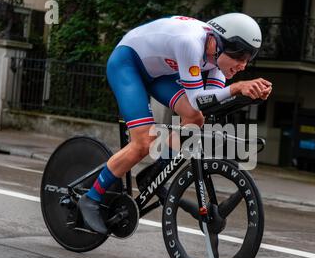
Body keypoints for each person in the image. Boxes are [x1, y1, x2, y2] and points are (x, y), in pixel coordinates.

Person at [78, 12, 273, 234]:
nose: (242, 66)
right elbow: (197, 99)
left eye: (247, 60)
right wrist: (238, 88)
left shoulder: (217, 60)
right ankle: (91, 198)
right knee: (144, 142)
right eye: (239, 58)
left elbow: (209, 103)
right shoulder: (190, 42)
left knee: (195, 118)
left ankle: (154, 174)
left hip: (159, 73)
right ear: (218, 43)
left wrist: (247, 96)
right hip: (128, 64)